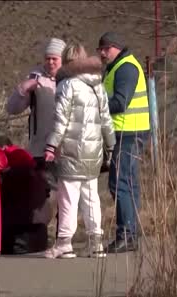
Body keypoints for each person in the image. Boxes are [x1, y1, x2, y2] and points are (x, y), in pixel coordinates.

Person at [42, 44, 116, 259]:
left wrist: (51, 146)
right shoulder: (97, 86)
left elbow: (60, 121)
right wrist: (111, 145)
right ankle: (96, 243)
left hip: (71, 152)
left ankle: (65, 243)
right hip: (93, 152)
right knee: (91, 197)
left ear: (66, 62)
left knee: (68, 199)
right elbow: (106, 121)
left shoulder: (67, 86)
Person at [5, 37, 66, 244]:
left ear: (62, 60)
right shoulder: (36, 78)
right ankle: (39, 236)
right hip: (40, 149)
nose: (50, 62)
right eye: (47, 58)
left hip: (64, 150)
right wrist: (23, 89)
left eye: (55, 59)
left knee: (66, 197)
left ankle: (63, 237)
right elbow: (12, 108)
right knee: (41, 198)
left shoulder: (70, 80)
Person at [97, 32, 150, 253]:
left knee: (121, 184)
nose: (101, 53)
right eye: (100, 49)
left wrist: (95, 104)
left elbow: (120, 102)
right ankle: (130, 233)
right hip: (127, 131)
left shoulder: (126, 68)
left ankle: (126, 235)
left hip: (127, 132)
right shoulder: (118, 67)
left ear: (116, 47)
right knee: (127, 183)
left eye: (106, 48)